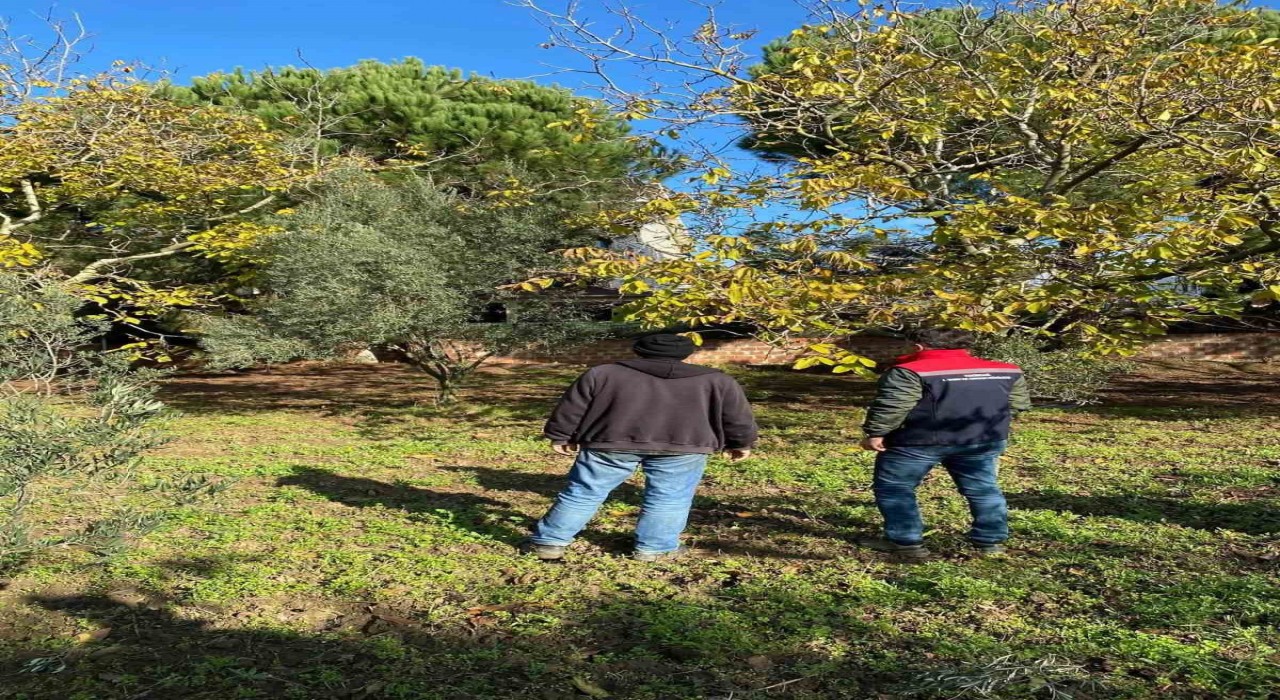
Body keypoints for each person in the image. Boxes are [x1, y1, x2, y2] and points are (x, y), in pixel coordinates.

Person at [521, 333, 757, 562]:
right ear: (687, 353)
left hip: (610, 443)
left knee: (584, 492)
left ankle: (549, 542)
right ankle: (655, 549)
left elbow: (572, 408)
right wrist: (740, 442)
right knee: (670, 498)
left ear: (638, 350)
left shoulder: (602, 373)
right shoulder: (718, 380)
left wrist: (561, 435)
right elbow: (736, 416)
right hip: (685, 446)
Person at [859, 329, 1031, 559]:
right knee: (983, 489)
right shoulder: (1006, 370)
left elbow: (893, 406)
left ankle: (907, 543)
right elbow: (1017, 405)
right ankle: (990, 543)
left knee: (896, 488)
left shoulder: (909, 371)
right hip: (983, 440)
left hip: (916, 442)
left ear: (919, 347)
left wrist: (876, 433)